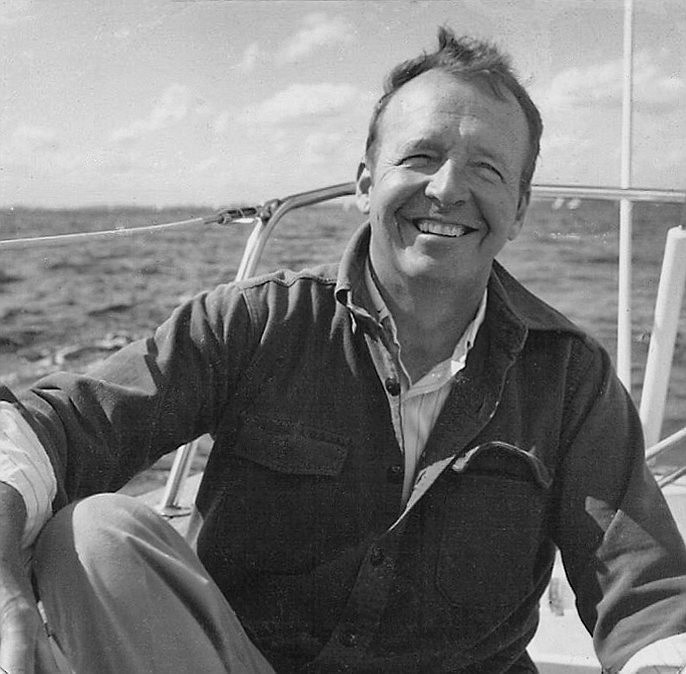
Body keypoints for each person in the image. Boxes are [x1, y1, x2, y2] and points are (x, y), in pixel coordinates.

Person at [1, 26, 685, 674]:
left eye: (487, 170)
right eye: (420, 156)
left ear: (522, 207)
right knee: (91, 538)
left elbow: (645, 590)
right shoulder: (255, 323)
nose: (447, 189)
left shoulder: (570, 376)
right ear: (364, 184)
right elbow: (59, 428)